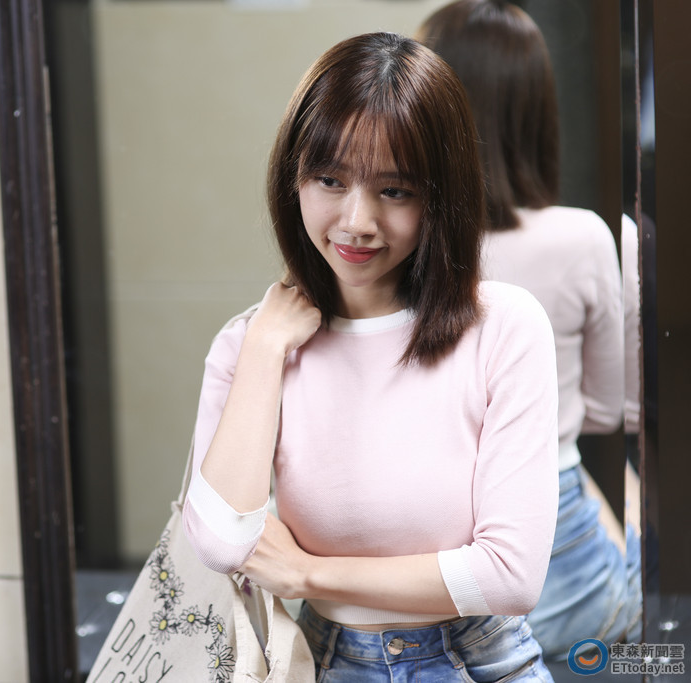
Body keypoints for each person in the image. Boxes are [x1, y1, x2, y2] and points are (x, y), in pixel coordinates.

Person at [182, 32, 559, 681]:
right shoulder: (252, 343)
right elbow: (221, 542)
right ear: (293, 178)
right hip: (325, 661)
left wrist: (307, 573)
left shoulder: (504, 325)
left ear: (440, 196)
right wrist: (266, 346)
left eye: (395, 191)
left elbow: (508, 576)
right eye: (330, 180)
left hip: (478, 660)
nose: (357, 221)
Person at [418, 0, 642, 660]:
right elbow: (609, 410)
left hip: (432, 562)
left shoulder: (398, 240)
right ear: (536, 110)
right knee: (655, 642)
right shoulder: (586, 237)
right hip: (562, 553)